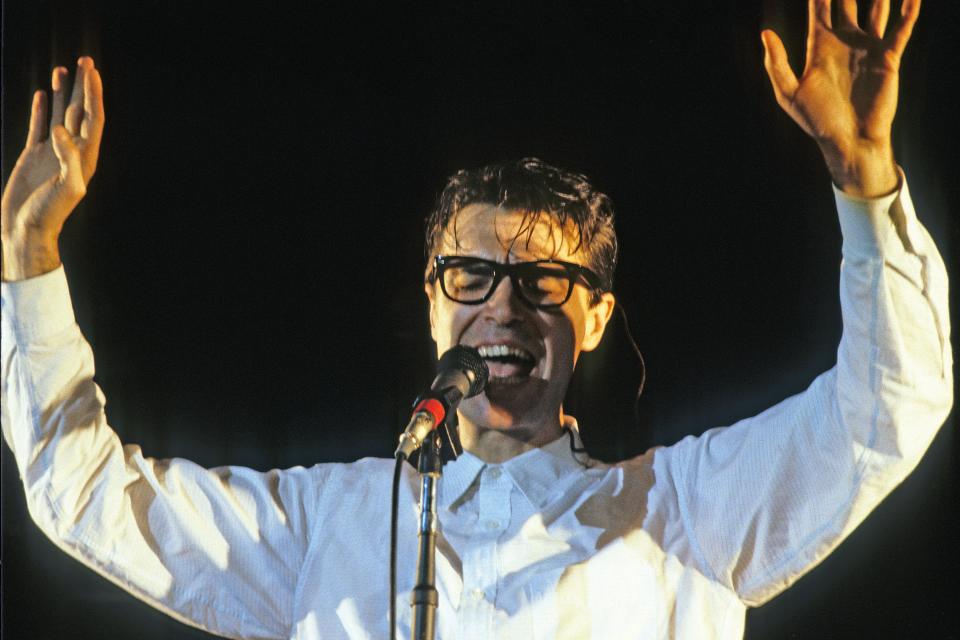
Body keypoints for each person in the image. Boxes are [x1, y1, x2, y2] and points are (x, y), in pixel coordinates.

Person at [1, 1, 951, 638]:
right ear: (429, 300)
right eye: (471, 275)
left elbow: (887, 410)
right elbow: (84, 496)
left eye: (544, 280)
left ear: (597, 313)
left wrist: (866, 182)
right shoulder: (325, 525)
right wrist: (29, 260)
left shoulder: (691, 511)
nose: (503, 303)